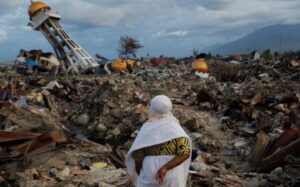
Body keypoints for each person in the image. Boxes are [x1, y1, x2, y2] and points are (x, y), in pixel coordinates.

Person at [125, 95, 192, 187]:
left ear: (153, 109)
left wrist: (142, 175)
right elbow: (185, 153)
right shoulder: (176, 129)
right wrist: (165, 168)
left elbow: (138, 157)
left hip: (150, 175)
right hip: (172, 177)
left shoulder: (147, 128)